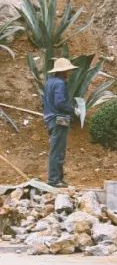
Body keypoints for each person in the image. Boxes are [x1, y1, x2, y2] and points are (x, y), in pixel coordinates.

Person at [42, 57, 76, 188]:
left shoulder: (50, 82)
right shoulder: (60, 83)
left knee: (56, 149)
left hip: (50, 119)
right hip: (59, 119)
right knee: (58, 150)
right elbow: (60, 103)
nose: (69, 73)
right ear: (63, 71)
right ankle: (54, 180)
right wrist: (73, 110)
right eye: (67, 70)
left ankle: (58, 179)